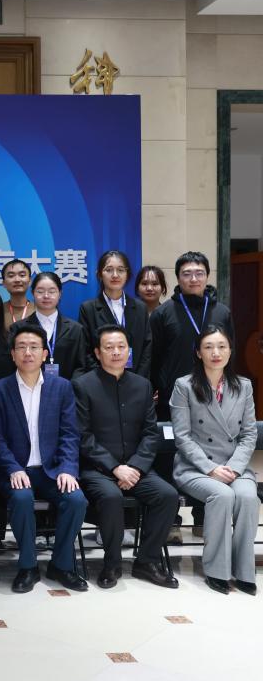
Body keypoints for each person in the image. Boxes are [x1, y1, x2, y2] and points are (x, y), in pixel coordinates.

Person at [74, 325, 179, 589]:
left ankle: (147, 561)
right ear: (97, 352)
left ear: (129, 351)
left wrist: (135, 467)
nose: (116, 352)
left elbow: (150, 433)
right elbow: (83, 436)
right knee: (111, 497)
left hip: (136, 468)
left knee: (167, 495)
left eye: (121, 347)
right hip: (97, 469)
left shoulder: (142, 385)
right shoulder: (83, 386)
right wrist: (114, 468)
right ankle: (111, 564)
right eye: (109, 347)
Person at [0, 324, 88, 593]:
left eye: (34, 347)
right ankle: (28, 566)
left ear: (45, 354)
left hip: (51, 470)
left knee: (76, 499)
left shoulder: (62, 387)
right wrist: (12, 468)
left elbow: (70, 434)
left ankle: (61, 565)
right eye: (21, 347)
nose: (28, 352)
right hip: (16, 471)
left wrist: (68, 468)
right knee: (22, 498)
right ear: (12, 354)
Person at [170, 326, 259, 595]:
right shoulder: (184, 386)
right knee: (222, 495)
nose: (215, 352)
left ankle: (243, 570)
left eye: (221, 346)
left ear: (230, 351)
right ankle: (216, 570)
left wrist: (234, 467)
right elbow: (183, 437)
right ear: (198, 353)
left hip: (234, 466)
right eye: (208, 347)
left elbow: (249, 434)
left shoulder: (243, 386)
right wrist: (211, 468)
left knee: (247, 497)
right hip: (195, 467)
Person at [150, 251, 235, 422]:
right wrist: (158, 387)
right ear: (178, 278)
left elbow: (231, 353)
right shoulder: (162, 313)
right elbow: (153, 356)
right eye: (187, 274)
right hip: (174, 397)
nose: (193, 279)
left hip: (215, 396)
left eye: (199, 273)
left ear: (207, 276)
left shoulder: (222, 312)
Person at [78, 251, 152, 378]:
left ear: (127, 274)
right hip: (101, 381)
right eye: (109, 270)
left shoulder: (140, 308)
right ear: (100, 274)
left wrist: (138, 379)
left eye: (121, 270)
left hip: (136, 381)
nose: (115, 275)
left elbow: (147, 348)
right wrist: (105, 378)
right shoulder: (88, 309)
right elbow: (86, 350)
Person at [22, 272, 86, 380]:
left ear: (60, 294)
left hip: (67, 387)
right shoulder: (19, 328)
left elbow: (81, 365)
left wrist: (69, 387)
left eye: (52, 291)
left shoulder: (75, 329)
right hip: (29, 387)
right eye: (40, 291)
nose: (46, 296)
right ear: (32, 293)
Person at [1, 259, 35, 325]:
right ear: (4, 283)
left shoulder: (39, 310)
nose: (17, 280)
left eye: (22, 275)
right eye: (11, 276)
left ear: (30, 281)